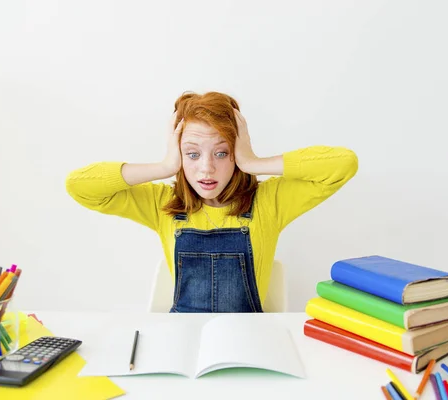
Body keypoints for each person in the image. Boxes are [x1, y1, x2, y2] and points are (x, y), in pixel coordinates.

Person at [65, 91, 358, 313]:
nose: (206, 169)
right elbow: (80, 186)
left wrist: (253, 162)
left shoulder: (269, 202)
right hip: (181, 338)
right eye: (192, 154)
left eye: (221, 153)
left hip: (248, 340)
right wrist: (166, 166)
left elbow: (343, 164)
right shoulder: (163, 204)